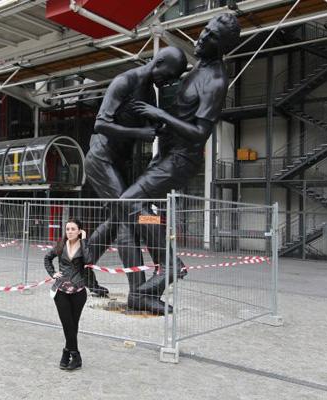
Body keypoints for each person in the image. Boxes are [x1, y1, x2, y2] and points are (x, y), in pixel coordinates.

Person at [111, 13, 241, 314]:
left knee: (128, 202)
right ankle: (148, 287)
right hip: (166, 154)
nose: (201, 38)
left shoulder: (216, 80)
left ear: (221, 46)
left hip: (182, 159)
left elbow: (199, 132)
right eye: (204, 31)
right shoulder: (197, 69)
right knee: (136, 212)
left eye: (210, 37)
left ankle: (170, 265)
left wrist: (161, 116)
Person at [84, 47, 188, 308]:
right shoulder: (125, 81)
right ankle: (138, 292)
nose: (169, 80)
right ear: (159, 62)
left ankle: (79, 268)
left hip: (120, 164)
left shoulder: (150, 94)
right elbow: (100, 124)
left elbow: (152, 128)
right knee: (129, 220)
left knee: (116, 220)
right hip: (101, 159)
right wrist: (140, 133)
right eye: (170, 74)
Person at [44, 219, 91, 371]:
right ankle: (76, 355)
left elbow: (89, 260)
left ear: (79, 231)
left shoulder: (84, 246)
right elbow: (47, 258)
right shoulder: (60, 245)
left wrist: (84, 241)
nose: (69, 231)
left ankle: (66, 352)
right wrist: (53, 273)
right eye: (67, 229)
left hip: (78, 290)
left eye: (73, 229)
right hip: (61, 290)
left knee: (73, 324)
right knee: (67, 323)